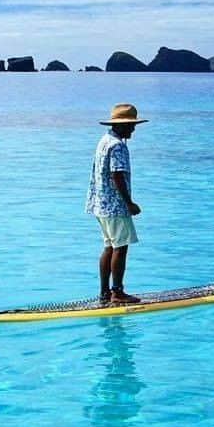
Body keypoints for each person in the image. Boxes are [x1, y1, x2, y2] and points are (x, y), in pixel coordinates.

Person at [85, 102, 147, 305]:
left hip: (99, 204)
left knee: (109, 247)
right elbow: (116, 174)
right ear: (120, 125)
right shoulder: (118, 145)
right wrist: (129, 202)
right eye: (130, 125)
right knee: (120, 247)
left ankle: (104, 292)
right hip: (115, 205)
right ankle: (117, 293)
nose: (133, 128)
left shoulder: (104, 140)